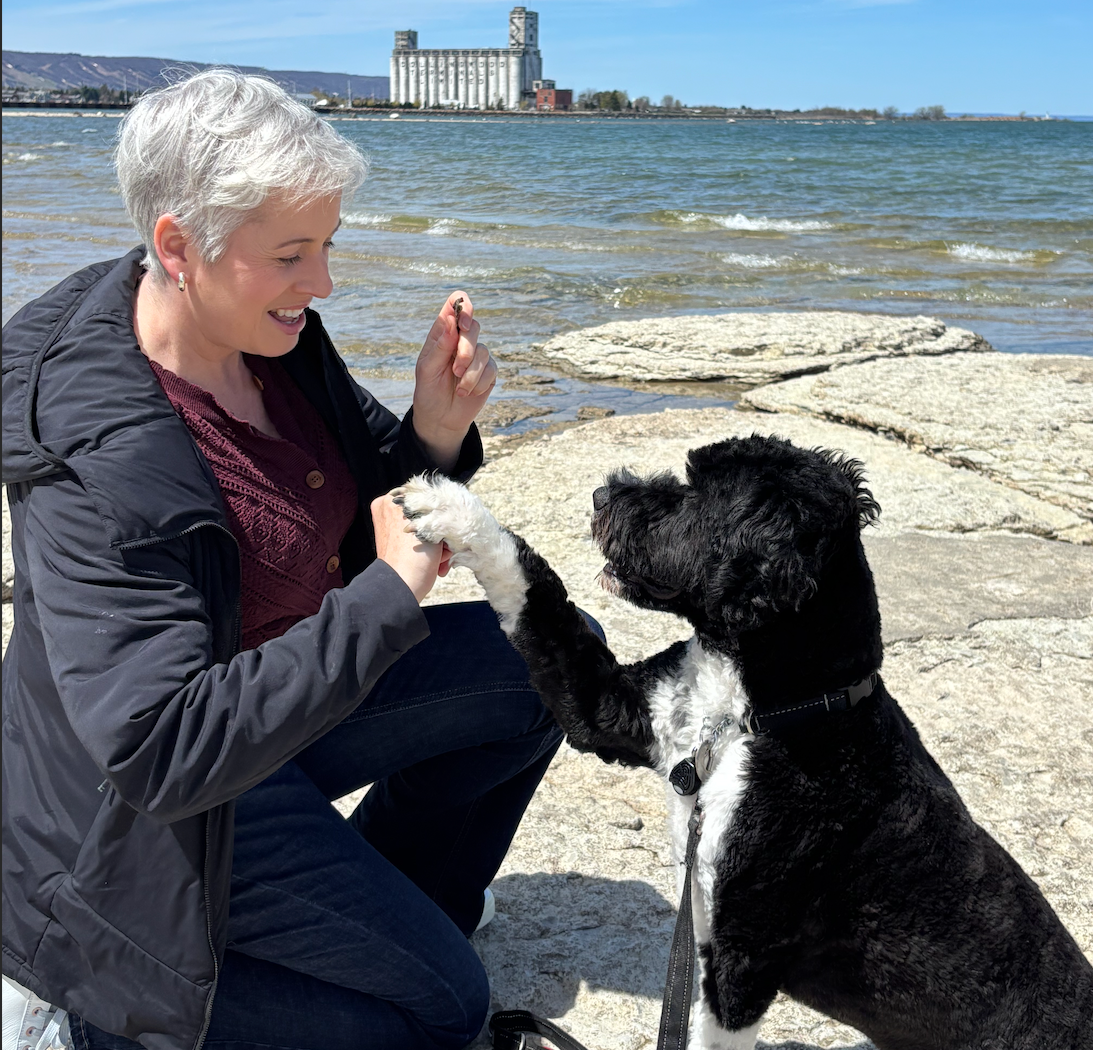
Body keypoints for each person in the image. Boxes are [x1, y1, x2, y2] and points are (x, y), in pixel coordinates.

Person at [1, 70, 567, 1050]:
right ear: (178, 246)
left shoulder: (268, 336)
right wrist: (384, 596)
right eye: (293, 255)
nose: (323, 283)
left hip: (281, 706)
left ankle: (408, 908)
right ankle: (90, 1013)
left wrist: (436, 428)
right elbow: (161, 748)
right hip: (153, 816)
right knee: (442, 1014)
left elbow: (366, 491)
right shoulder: (94, 458)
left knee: (547, 663)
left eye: (327, 245)